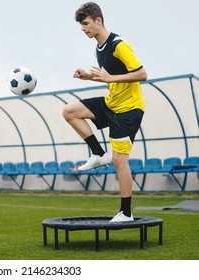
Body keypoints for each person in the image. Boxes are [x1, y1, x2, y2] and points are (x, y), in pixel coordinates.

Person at [62, 2, 147, 222]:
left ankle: (126, 213)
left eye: (86, 24)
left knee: (120, 160)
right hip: (111, 103)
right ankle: (98, 154)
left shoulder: (119, 45)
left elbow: (142, 74)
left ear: (98, 20)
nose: (83, 29)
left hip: (129, 109)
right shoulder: (98, 48)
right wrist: (87, 76)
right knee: (70, 111)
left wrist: (110, 78)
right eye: (81, 25)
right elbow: (108, 75)